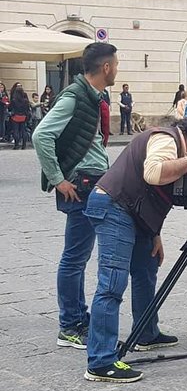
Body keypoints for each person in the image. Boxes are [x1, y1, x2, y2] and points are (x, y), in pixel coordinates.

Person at [83, 112, 187, 383]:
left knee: (146, 269)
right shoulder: (166, 140)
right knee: (112, 284)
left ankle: (146, 333)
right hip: (114, 207)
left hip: (132, 213)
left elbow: (151, 193)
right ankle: (100, 362)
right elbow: (153, 173)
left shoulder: (174, 143)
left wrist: (154, 234)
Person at [32, 42, 117, 351]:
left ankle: (77, 318)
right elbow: (41, 135)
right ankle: (70, 324)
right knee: (75, 257)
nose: (117, 69)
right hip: (80, 184)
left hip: (93, 181)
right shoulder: (73, 96)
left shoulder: (93, 96)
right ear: (105, 67)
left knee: (78, 255)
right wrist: (57, 179)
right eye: (115, 64)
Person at [9, 82, 31, 150]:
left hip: (15, 116)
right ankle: (24, 145)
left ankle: (16, 145)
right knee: (23, 131)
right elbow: (27, 108)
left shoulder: (13, 100)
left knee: (16, 131)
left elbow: (10, 108)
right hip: (23, 116)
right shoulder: (25, 100)